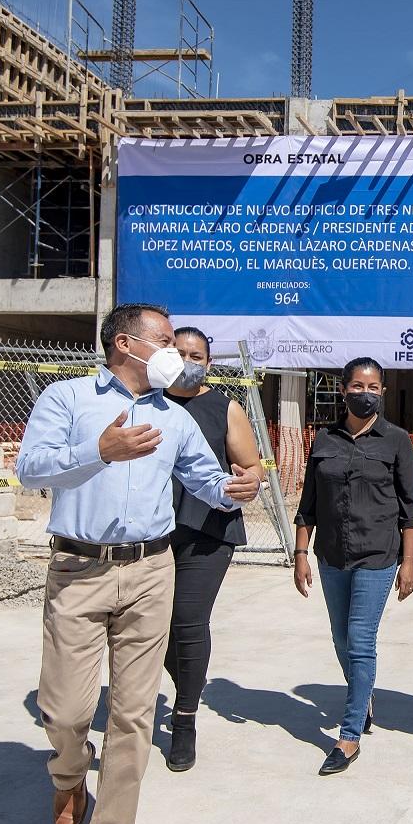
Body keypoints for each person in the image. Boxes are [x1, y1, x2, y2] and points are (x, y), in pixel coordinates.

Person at [17, 303, 260, 824]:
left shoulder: (172, 417)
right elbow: (30, 469)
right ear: (126, 345)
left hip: (153, 569)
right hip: (78, 570)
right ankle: (69, 774)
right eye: (163, 341)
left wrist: (235, 489)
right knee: (69, 711)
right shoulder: (67, 399)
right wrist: (99, 450)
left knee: (132, 713)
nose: (174, 352)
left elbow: (205, 478)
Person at [293, 357, 413, 776]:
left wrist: (409, 565)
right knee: (341, 637)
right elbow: (308, 502)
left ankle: (348, 736)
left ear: (382, 392)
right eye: (357, 385)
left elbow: (411, 510)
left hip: (378, 556)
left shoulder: (397, 440)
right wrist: (300, 554)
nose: (365, 393)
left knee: (361, 638)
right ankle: (362, 694)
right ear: (344, 389)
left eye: (373, 386)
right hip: (331, 555)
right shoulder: (325, 439)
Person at [159, 327, 262, 773]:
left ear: (210, 361)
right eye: (178, 352)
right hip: (151, 528)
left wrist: (250, 481)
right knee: (152, 627)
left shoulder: (225, 407)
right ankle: (189, 685)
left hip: (207, 530)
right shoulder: (146, 401)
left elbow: (253, 465)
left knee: (187, 619)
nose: (187, 360)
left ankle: (184, 719)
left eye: (195, 354)